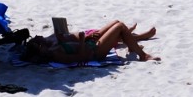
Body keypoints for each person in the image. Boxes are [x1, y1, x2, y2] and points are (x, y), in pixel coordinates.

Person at [22, 21, 158, 63]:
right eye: (35, 39)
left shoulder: (53, 46)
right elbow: (81, 58)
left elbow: (72, 45)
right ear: (40, 48)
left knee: (116, 23)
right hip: (95, 52)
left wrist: (85, 39)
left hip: (90, 44)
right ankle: (142, 55)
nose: (37, 36)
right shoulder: (56, 54)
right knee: (120, 27)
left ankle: (133, 46)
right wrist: (82, 41)